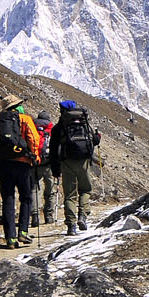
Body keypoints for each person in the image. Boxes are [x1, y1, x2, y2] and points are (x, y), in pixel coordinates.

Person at [0, 94, 40, 248]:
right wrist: (34, 157)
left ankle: (10, 238)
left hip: (3, 165)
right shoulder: (24, 119)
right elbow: (34, 140)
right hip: (23, 164)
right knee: (26, 198)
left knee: (8, 200)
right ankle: (23, 231)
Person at [50, 100, 101, 236]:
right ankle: (83, 215)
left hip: (66, 163)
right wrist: (98, 137)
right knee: (85, 190)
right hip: (84, 161)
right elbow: (94, 141)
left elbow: (53, 150)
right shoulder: (85, 123)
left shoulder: (58, 128)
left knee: (70, 195)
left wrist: (55, 169)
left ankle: (71, 225)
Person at [33, 110, 56, 224]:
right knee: (49, 191)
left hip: (35, 164)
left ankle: (35, 216)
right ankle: (49, 216)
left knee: (35, 190)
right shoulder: (51, 130)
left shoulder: (33, 128)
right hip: (49, 165)